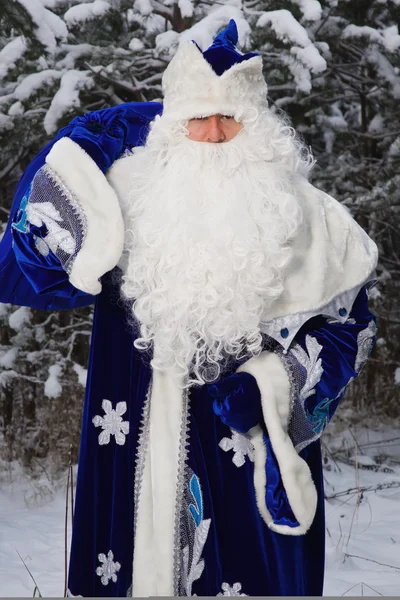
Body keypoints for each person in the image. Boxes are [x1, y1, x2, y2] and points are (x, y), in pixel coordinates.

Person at [0, 20, 378, 597]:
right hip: (131, 451)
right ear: (171, 126)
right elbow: (24, 270)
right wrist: (80, 145)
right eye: (197, 117)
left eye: (232, 117)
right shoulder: (123, 201)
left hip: (246, 454)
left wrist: (272, 387)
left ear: (259, 125)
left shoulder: (310, 220)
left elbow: (347, 330)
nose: (215, 133)